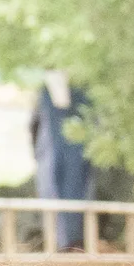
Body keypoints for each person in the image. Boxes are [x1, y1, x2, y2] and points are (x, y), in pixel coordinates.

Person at [33, 71, 95, 252]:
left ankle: (71, 240)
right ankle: (63, 240)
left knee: (75, 189)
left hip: (73, 157)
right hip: (55, 155)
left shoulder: (82, 94)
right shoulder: (47, 95)